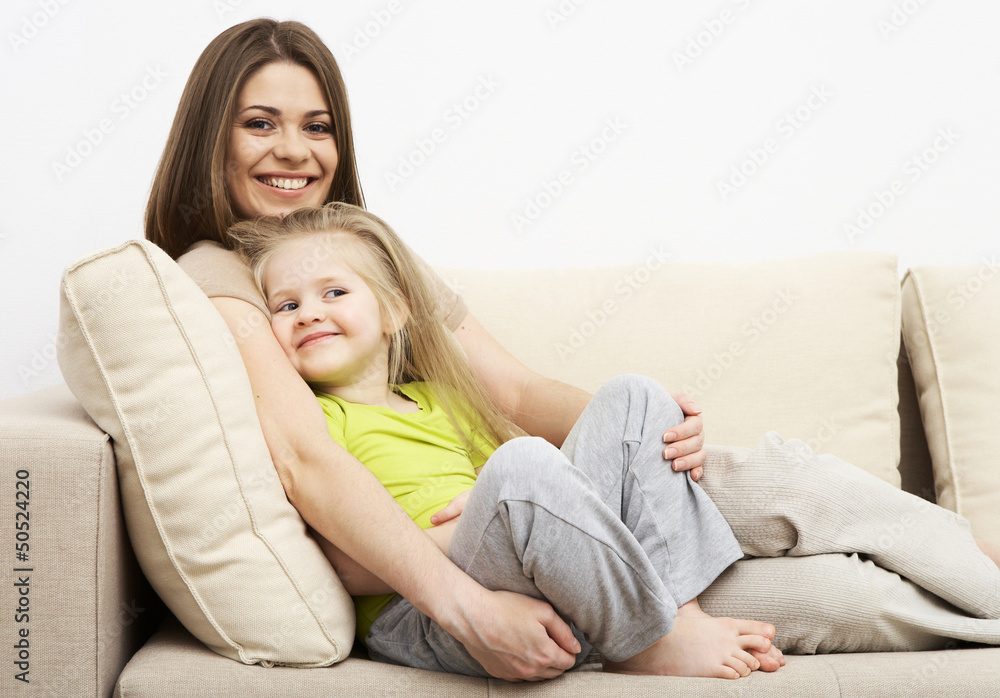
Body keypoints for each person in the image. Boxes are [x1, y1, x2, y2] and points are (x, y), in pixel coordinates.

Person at [145, 18, 709, 681]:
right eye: (261, 124)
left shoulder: (366, 251)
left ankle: (693, 609)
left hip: (516, 529)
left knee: (654, 415)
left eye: (317, 127)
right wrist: (476, 586)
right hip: (440, 583)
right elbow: (306, 462)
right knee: (546, 469)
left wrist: (648, 437)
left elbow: (516, 393)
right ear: (212, 139)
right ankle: (660, 635)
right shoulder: (219, 273)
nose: (295, 149)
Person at [226, 201, 784, 679]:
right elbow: (346, 568)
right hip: (418, 612)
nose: (309, 314)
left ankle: (679, 612)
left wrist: (508, 502)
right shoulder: (319, 420)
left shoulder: (440, 397)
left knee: (636, 396)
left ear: (395, 310)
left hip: (514, 571)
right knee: (522, 464)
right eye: (287, 305)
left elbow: (531, 496)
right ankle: (647, 643)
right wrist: (491, 512)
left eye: (333, 291)